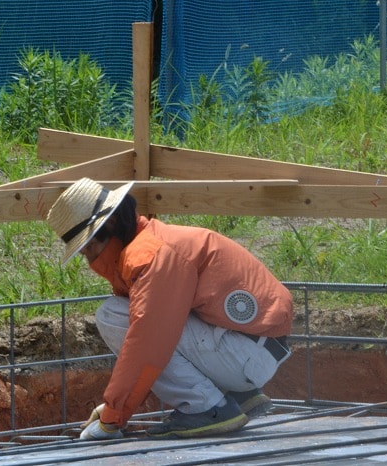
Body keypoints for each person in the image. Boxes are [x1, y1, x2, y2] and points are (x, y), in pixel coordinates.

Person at [46, 178, 293, 440]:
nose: (91, 261)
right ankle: (236, 395)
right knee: (133, 315)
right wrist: (114, 406)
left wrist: (113, 416)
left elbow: (148, 344)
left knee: (114, 316)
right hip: (250, 349)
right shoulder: (154, 240)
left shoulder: (152, 256)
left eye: (90, 249)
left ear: (112, 224)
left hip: (244, 356)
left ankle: (209, 407)